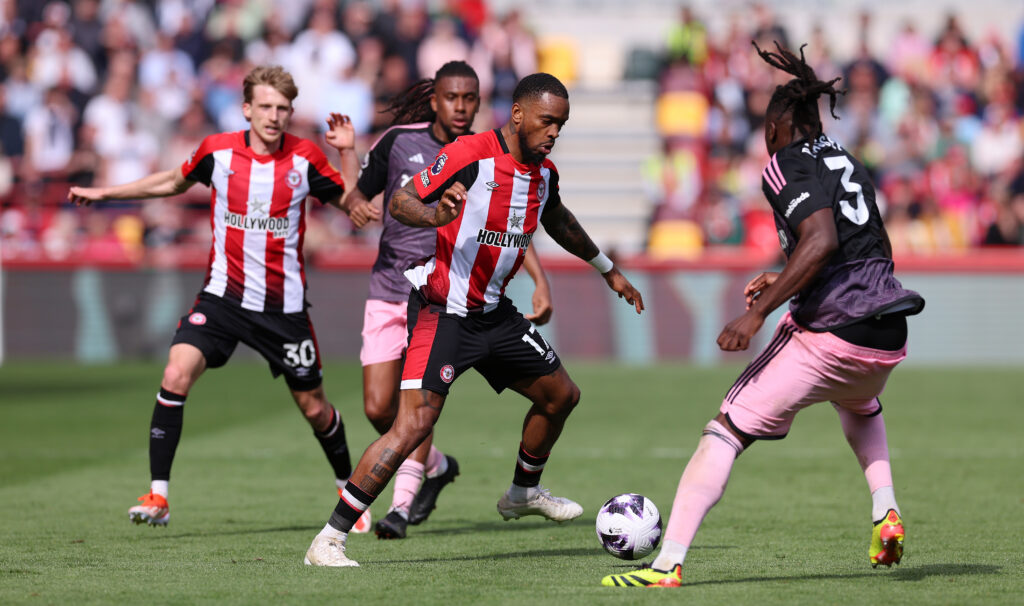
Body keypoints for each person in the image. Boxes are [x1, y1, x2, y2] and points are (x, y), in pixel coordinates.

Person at [601, 42, 925, 588]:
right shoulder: (847, 160)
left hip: (833, 331)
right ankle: (885, 509)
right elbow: (856, 246)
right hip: (888, 331)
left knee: (724, 429)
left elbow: (821, 240)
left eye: (766, 131)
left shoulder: (783, 164)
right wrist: (785, 274)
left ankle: (664, 565)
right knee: (859, 401)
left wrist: (756, 317)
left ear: (775, 127)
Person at [304, 72, 645, 567]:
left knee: (561, 395)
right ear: (519, 114)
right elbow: (401, 200)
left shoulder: (543, 174)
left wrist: (607, 270)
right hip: (444, 311)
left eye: (562, 124)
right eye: (548, 121)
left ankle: (523, 493)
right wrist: (435, 216)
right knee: (412, 425)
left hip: (494, 315)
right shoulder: (470, 153)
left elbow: (558, 218)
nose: (554, 132)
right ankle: (329, 539)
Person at [67, 65, 372, 532]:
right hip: (222, 298)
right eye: (265, 106)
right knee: (175, 372)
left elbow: (354, 207)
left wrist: (347, 152)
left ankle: (348, 492)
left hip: (283, 309)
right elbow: (172, 181)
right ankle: (158, 495)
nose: (274, 116)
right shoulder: (218, 152)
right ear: (246, 109)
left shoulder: (305, 158)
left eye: (282, 108)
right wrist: (106, 193)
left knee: (314, 408)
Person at [341, 60, 554, 540]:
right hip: (389, 287)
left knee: (416, 409)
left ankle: (399, 509)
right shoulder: (398, 141)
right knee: (378, 409)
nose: (461, 107)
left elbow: (513, 226)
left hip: (442, 295)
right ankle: (436, 467)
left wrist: (540, 280)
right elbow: (358, 197)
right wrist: (347, 157)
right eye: (452, 97)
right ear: (434, 99)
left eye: (469, 98)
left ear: (479, 102)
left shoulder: (488, 153)